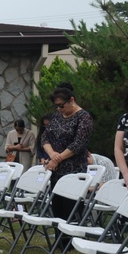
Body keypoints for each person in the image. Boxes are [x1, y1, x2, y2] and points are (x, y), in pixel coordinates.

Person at [41, 83, 94, 222]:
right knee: (57, 207)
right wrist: (52, 154)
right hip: (56, 170)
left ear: (71, 100)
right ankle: (59, 241)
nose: (59, 109)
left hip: (74, 169)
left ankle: (71, 242)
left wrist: (56, 159)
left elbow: (78, 144)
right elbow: (45, 137)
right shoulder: (57, 116)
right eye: (56, 106)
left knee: (71, 208)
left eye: (61, 105)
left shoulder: (84, 117)